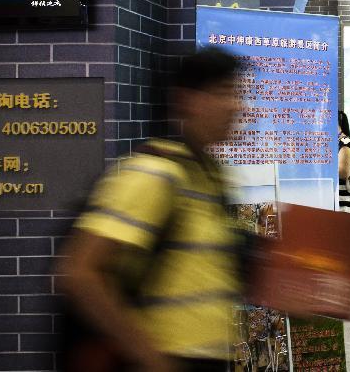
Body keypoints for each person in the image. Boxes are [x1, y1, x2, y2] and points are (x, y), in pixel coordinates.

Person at [57, 47, 243, 372]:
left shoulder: (211, 175)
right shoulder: (150, 175)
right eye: (224, 93)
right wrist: (152, 361)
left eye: (239, 94)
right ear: (188, 101)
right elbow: (78, 273)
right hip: (164, 359)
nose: (237, 106)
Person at [338, 110, 350, 210]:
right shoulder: (338, 142)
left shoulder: (344, 142)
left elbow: (343, 173)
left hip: (341, 200)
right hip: (335, 199)